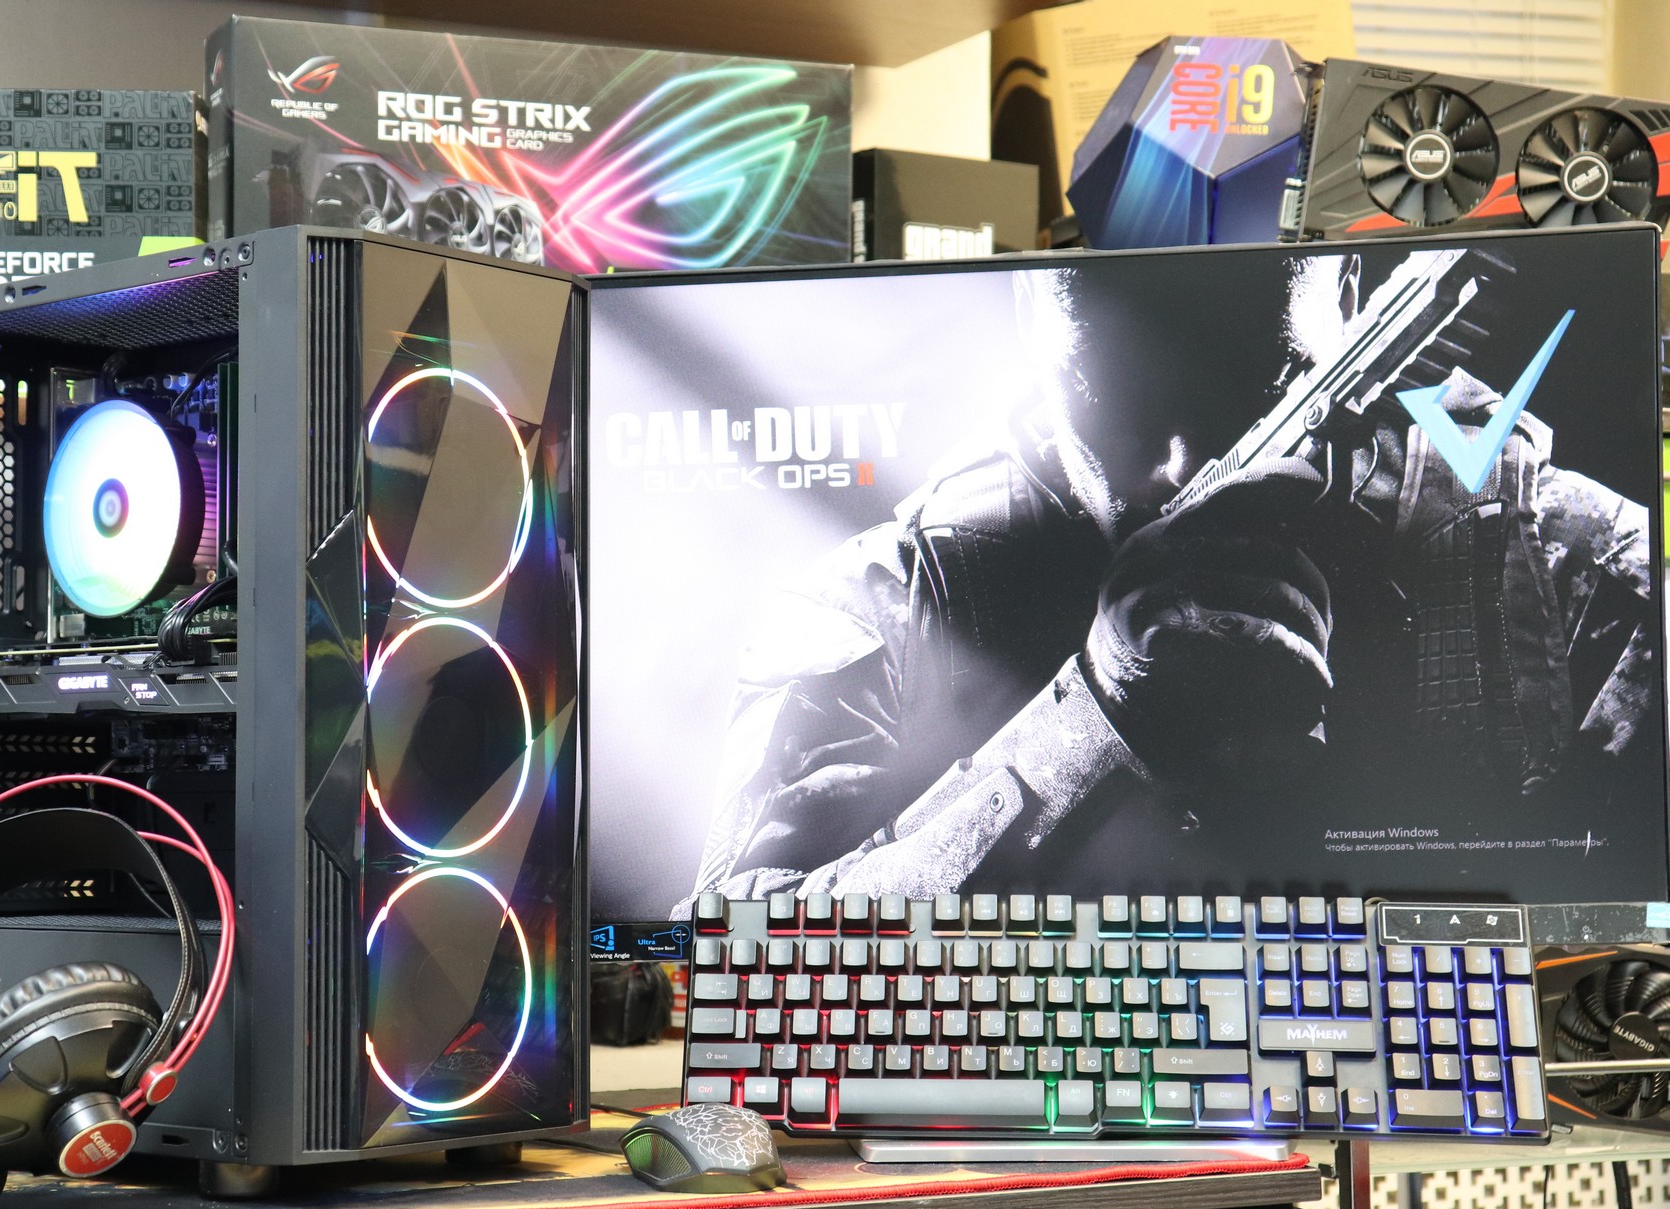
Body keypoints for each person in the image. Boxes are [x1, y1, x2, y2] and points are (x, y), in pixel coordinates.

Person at [680, 254, 1653, 912]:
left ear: (1350, 307)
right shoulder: (885, 600)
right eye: (1126, 396)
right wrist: (1093, 719)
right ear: (1029, 317)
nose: (1184, 468)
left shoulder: (1576, 555)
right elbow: (735, 968)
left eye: (1260, 388)